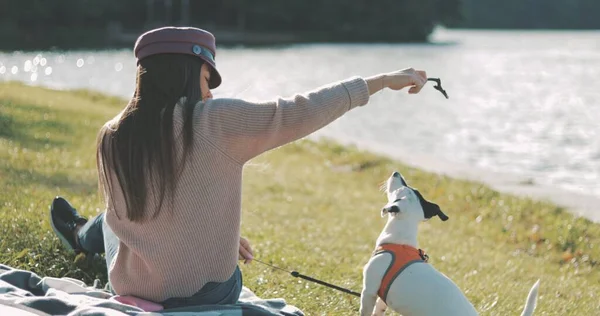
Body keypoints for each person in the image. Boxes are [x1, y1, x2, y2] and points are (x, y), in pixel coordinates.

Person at [49, 26, 429, 309]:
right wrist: (379, 81)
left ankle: (81, 235)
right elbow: (300, 110)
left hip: (133, 289)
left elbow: (135, 219)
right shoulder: (213, 120)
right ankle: (82, 233)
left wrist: (216, 235)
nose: (209, 91)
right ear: (184, 73)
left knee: (112, 219)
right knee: (115, 219)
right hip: (209, 293)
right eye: (204, 78)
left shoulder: (111, 135)